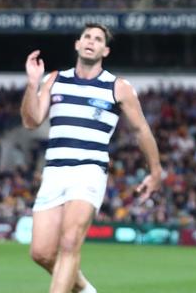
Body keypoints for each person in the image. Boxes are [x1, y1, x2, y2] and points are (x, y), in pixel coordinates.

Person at [21, 23, 165, 293]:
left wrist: (155, 172)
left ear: (105, 50)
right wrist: (32, 84)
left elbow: (141, 130)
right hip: (53, 171)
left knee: (69, 243)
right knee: (41, 253)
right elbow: (31, 121)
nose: (91, 41)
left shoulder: (117, 87)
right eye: (87, 36)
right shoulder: (54, 79)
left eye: (98, 39)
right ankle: (86, 290)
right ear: (77, 44)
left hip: (88, 172)